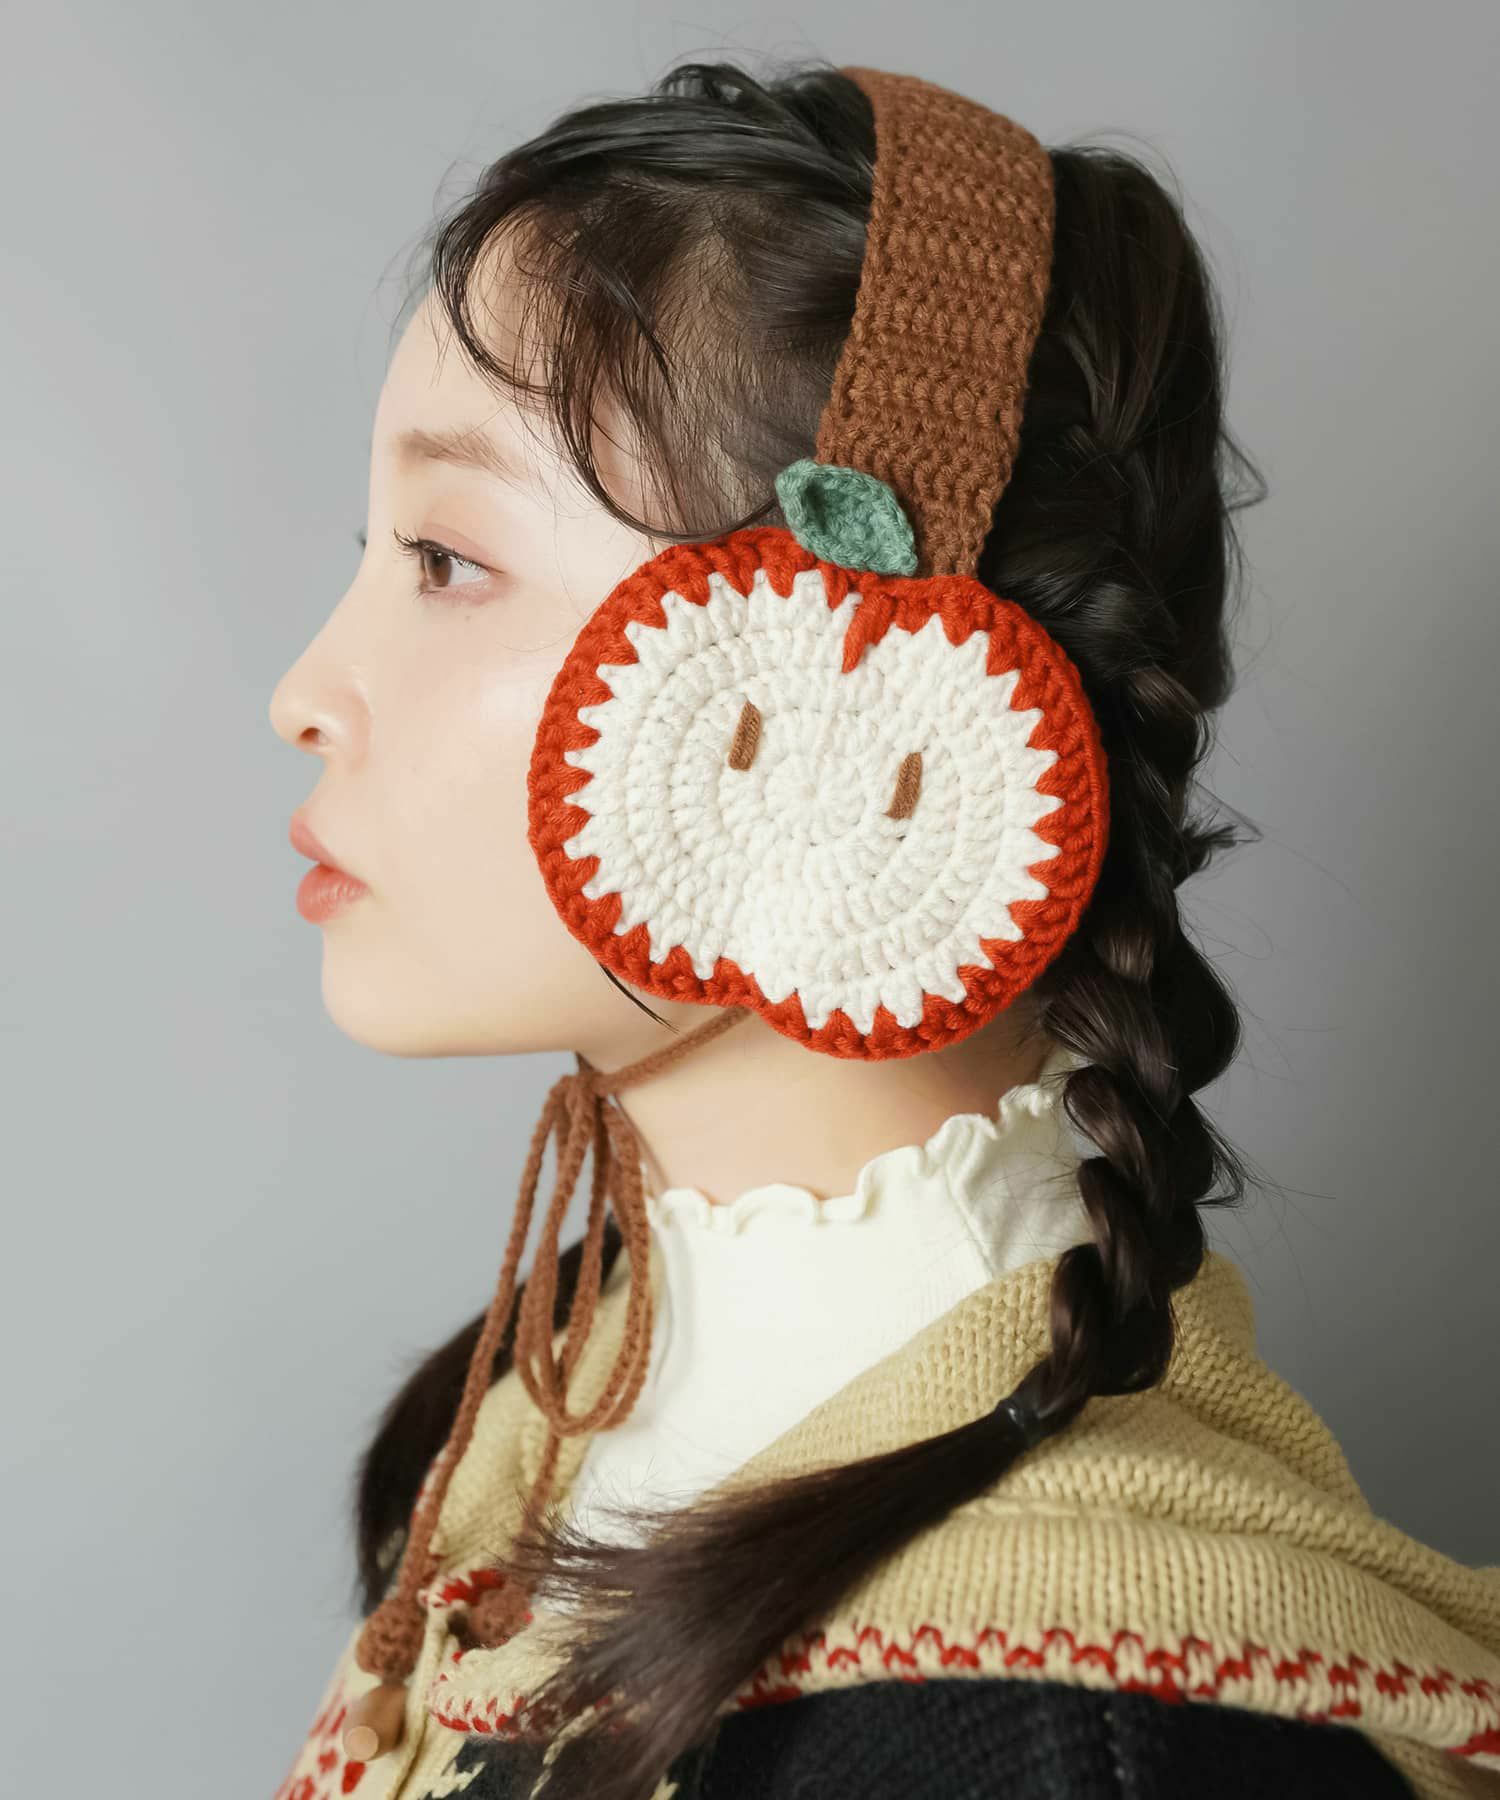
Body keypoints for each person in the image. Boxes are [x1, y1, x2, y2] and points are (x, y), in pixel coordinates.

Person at [268, 56, 1500, 1800]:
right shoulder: (534, 1436)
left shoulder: (1055, 1744)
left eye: (446, 561)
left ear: (848, 694)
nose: (306, 692)